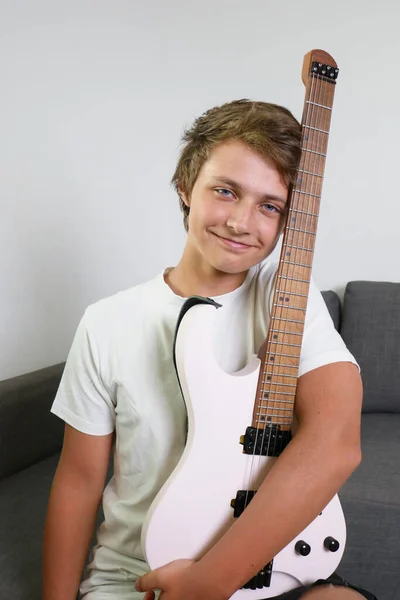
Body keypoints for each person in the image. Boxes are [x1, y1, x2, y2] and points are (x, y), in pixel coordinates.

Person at [43, 99, 376, 600]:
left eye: (270, 206)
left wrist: (205, 584)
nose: (242, 222)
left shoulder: (286, 298)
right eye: (226, 191)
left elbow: (336, 444)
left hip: (267, 567)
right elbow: (79, 480)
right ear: (186, 186)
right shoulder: (107, 321)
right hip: (138, 576)